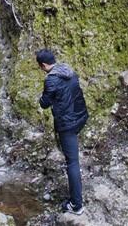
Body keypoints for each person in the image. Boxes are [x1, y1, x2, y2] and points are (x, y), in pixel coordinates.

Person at [37, 48, 89, 215]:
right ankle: (77, 197)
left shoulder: (51, 80)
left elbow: (44, 103)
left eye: (40, 67)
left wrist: (41, 98)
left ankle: (76, 205)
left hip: (67, 124)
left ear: (44, 65)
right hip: (80, 117)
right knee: (72, 154)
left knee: (72, 163)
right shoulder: (69, 71)